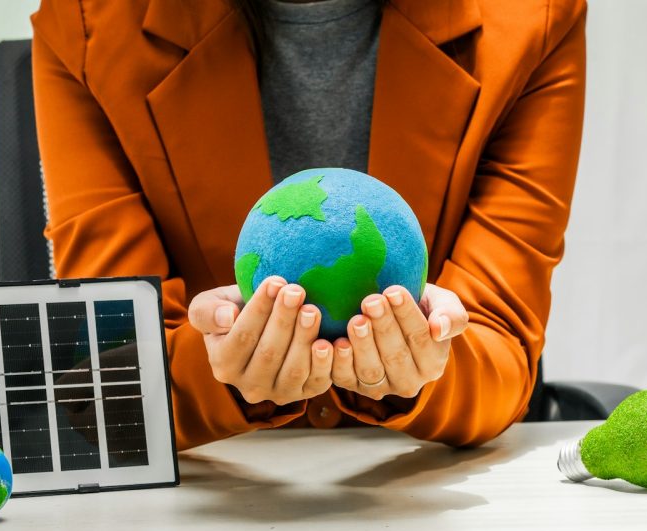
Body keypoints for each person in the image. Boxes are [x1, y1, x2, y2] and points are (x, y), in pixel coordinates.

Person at [30, 0, 587, 451]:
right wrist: (220, 369)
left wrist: (425, 361)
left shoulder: (533, 20)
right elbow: (107, 387)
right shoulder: (86, 27)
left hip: (421, 481)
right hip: (211, 496)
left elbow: (501, 347)